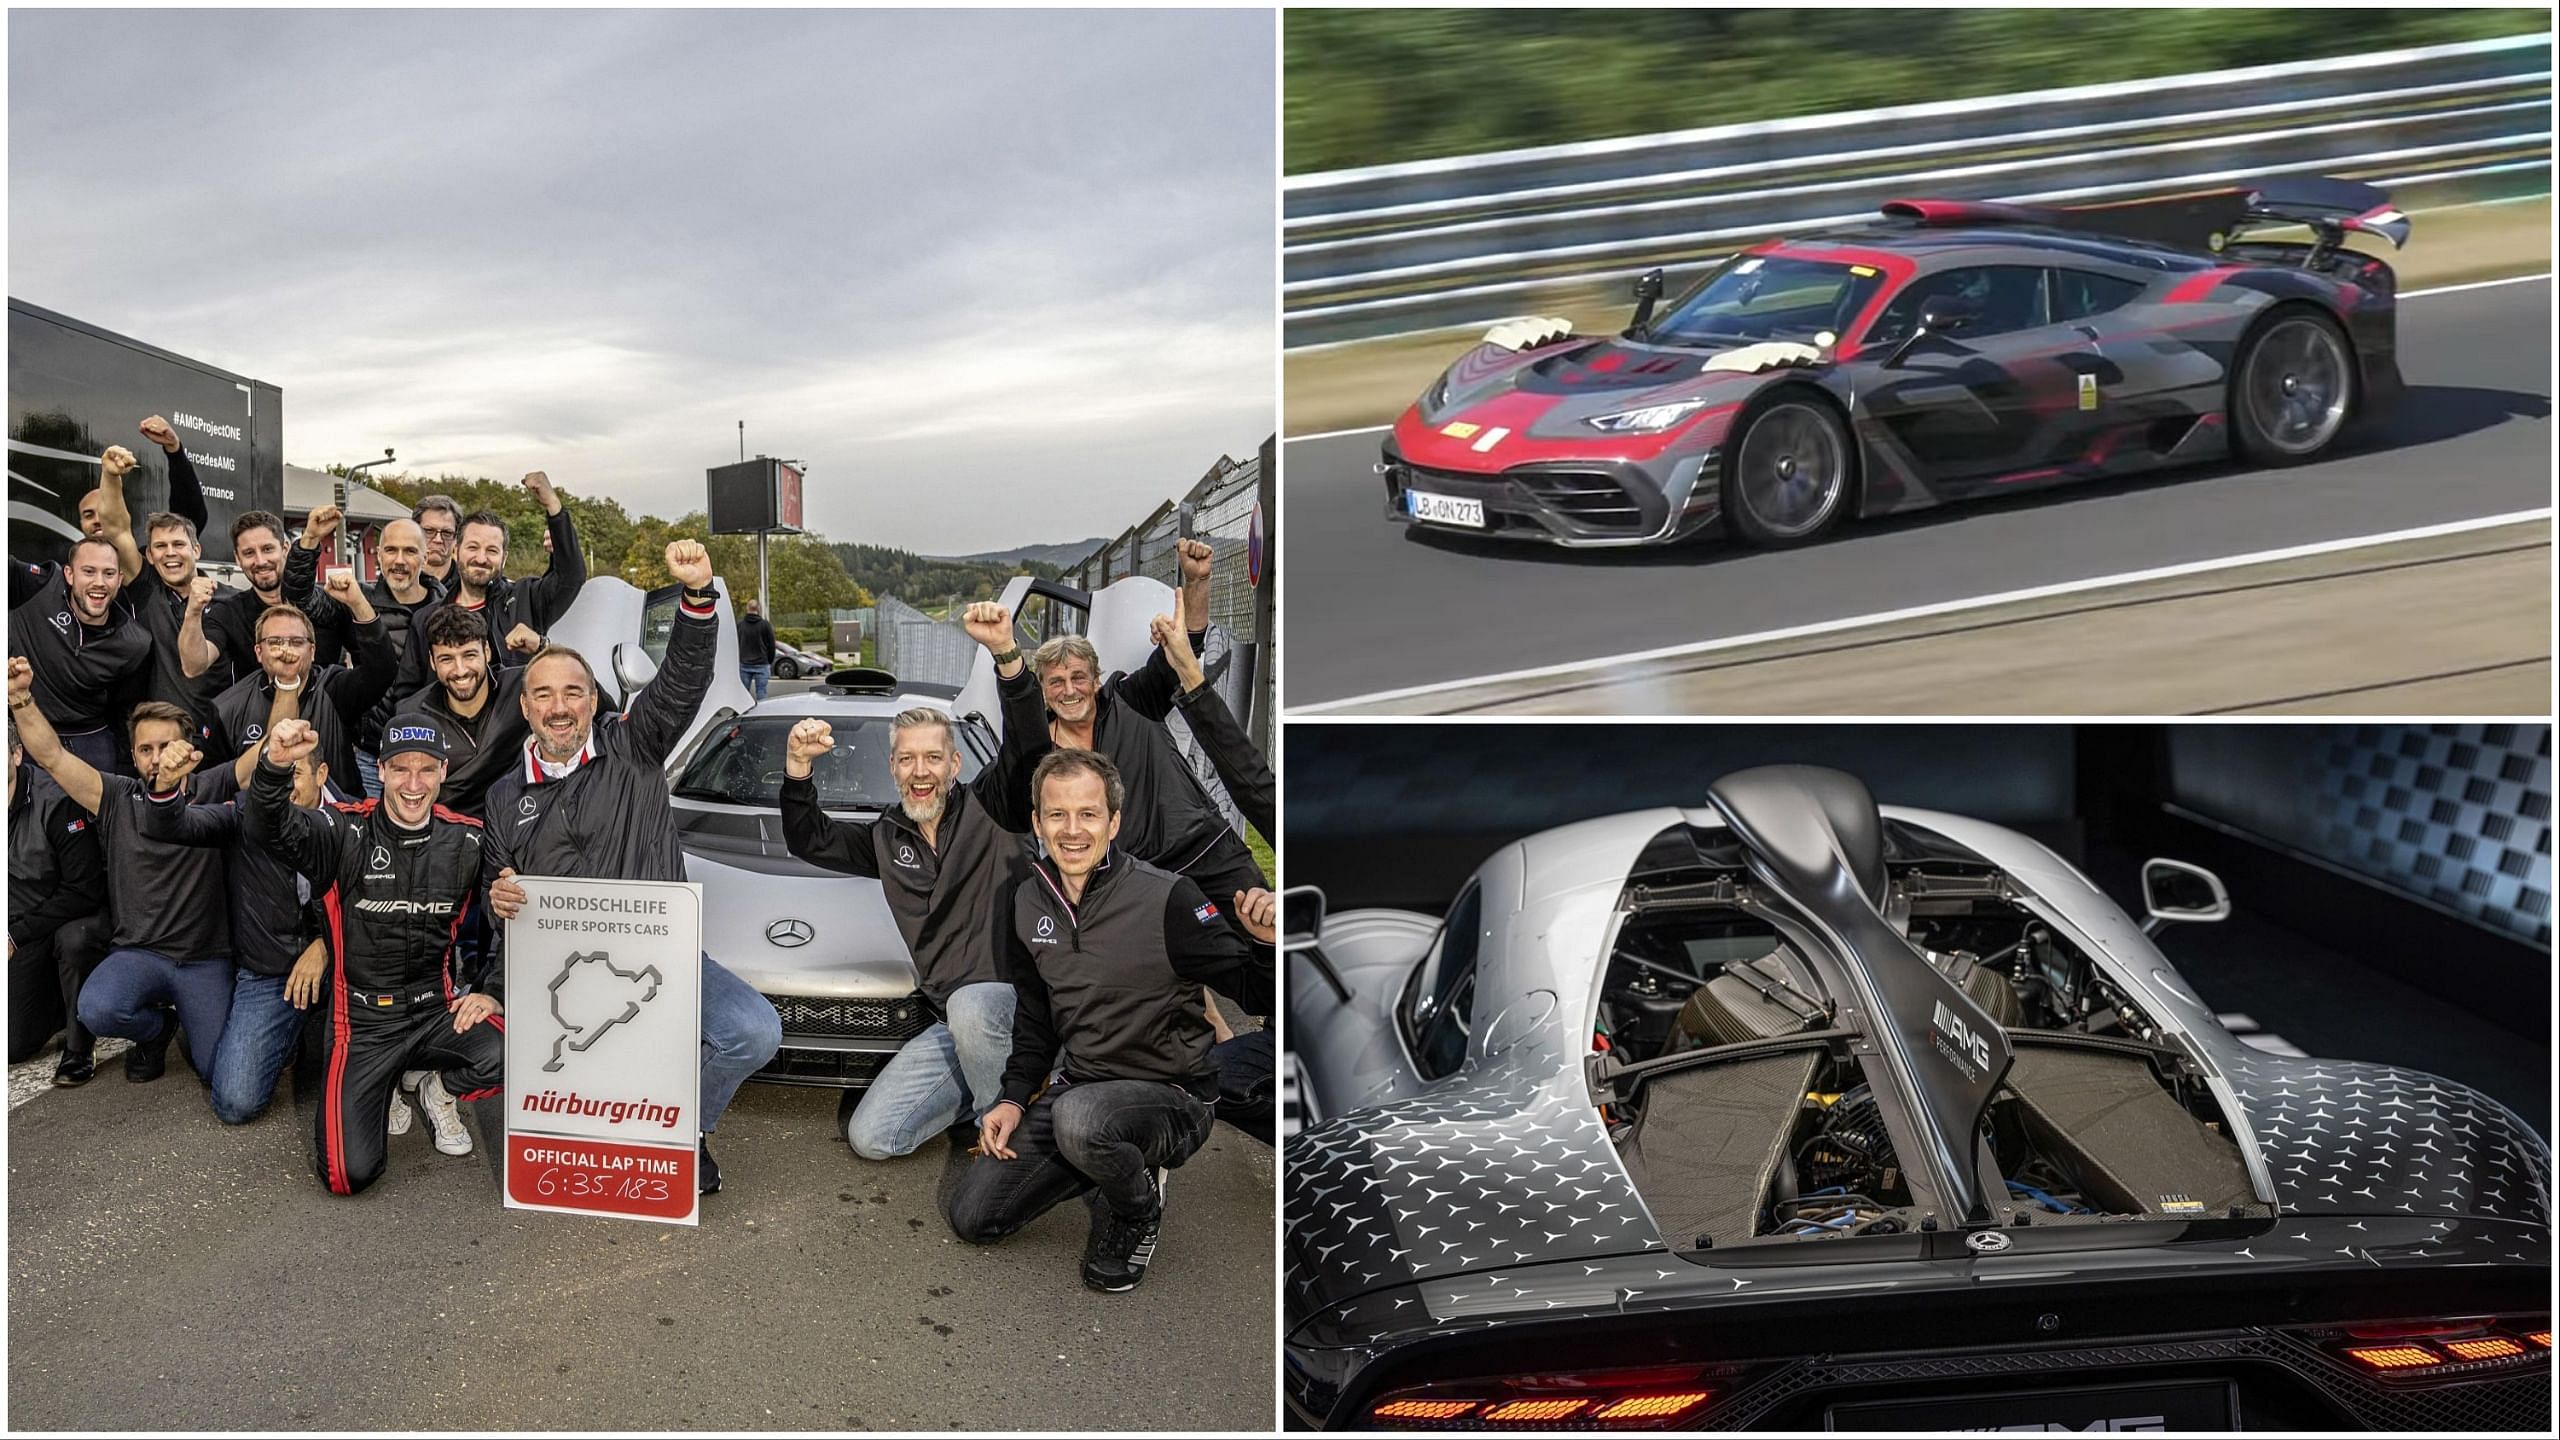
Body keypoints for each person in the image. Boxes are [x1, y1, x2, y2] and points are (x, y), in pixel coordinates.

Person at [481, 540, 780, 1195]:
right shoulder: (505, 796)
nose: (560, 707)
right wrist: (497, 900)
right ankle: (595, 1129)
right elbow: (492, 892)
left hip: (657, 960)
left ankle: (682, 1128)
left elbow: (681, 682)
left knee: (753, 1031)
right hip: (561, 974)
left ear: (593, 699)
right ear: (525, 706)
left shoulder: (633, 745)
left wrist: (698, 598)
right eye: (544, 695)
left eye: (573, 692)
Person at [943, 750, 1275, 1291]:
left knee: (1080, 1120)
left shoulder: (1170, 898)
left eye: (1088, 814)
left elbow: (1255, 990)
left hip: (1174, 1096)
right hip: (1084, 1088)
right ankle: (1103, 1160)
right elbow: (1036, 1017)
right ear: (1037, 822)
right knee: (976, 1217)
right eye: (1057, 814)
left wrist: (1264, 945)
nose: (1072, 831)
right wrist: (1010, 1097)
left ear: (1113, 822)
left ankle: (1137, 1208)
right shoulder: (1026, 900)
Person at [777, 602, 1049, 1159]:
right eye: (906, 760)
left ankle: (1007, 1133)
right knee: (873, 1139)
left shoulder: (996, 807)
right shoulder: (886, 836)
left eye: (932, 758)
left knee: (975, 1006)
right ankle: (992, 1090)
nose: (919, 771)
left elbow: (1028, 747)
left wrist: (1005, 654)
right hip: (954, 1020)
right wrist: (798, 769)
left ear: (954, 765)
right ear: (893, 768)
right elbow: (811, 839)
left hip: (1018, 1007)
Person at [247, 715, 501, 1194]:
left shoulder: (467, 839)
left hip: (435, 1013)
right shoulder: (342, 829)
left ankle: (437, 1088)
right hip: (362, 1024)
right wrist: (274, 765)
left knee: (522, 1048)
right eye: (400, 769)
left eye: (426, 770)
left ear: (444, 773)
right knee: (348, 1176)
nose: (413, 784)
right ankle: (383, 1088)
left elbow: (515, 913)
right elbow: (267, 827)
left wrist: (492, 991)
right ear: (379, 771)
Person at [8, 660, 235, 1084]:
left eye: (166, 746)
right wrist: (20, 697)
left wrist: (287, 687)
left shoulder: (216, 786)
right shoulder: (116, 795)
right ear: (132, 754)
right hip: (140, 953)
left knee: (216, 1069)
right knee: (98, 1008)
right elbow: (52, 757)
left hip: (205, 959)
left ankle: (194, 1021)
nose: (155, 758)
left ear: (189, 749)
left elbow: (269, 757)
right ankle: (156, 1030)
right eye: (145, 749)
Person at [130, 729, 334, 1126]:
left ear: (321, 773)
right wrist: (167, 786)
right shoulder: (243, 813)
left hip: (343, 963)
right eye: (269, 776)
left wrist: (323, 945)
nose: (280, 788)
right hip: (270, 973)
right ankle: (234, 1031)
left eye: (292, 775)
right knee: (235, 1102)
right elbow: (176, 826)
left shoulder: (352, 817)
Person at [390, 473, 585, 710]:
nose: (481, 558)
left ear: (504, 559)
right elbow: (406, 694)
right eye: (473, 547)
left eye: (492, 550)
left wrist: (553, 506)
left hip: (514, 737)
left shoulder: (526, 599)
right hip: (450, 739)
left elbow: (571, 577)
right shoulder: (427, 618)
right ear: (456, 551)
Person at [282, 505, 436, 796]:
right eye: (390, 551)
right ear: (378, 555)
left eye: (410, 552)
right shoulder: (353, 598)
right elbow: (298, 598)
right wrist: (310, 539)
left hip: (427, 752)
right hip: (369, 755)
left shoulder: (445, 606)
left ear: (425, 557)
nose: (399, 561)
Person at [207, 574, 395, 800]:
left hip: (336, 818)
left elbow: (382, 670)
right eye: (275, 642)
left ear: (313, 651)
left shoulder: (333, 688)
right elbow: (216, 783)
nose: (286, 650)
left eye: (296, 642)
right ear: (258, 652)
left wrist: (357, 603)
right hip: (261, 822)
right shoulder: (226, 708)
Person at [8, 713, 112, 1083]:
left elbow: (84, 889)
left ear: (17, 754)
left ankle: (79, 1047)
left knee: (76, 939)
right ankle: (52, 997)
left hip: (64, 917)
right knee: (14, 1046)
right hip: (20, 928)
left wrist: (14, 936)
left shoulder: (56, 800)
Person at [8, 531, 153, 774]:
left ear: (119, 580)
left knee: (99, 809)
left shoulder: (134, 644)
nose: (99, 582)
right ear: (69, 574)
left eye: (108, 574)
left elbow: (125, 715)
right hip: (22, 727)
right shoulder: (38, 586)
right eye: (88, 571)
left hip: (89, 738)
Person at [389, 605, 529, 821]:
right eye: (447, 659)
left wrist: (543, 646)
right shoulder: (412, 716)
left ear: (487, 652)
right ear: (433, 662)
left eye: (469, 655)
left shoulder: (522, 687)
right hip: (452, 834)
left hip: (521, 821)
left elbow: (588, 696)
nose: (460, 670)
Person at [200, 508, 355, 693]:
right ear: (237, 558)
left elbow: (370, 663)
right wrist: (193, 611)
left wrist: (310, 539)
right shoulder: (228, 613)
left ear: (285, 548)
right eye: (249, 553)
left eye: (267, 549)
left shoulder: (326, 605)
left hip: (328, 716)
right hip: (259, 720)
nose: (260, 561)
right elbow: (196, 664)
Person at [411, 494, 463, 598]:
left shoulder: (469, 586)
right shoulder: (397, 583)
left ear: (456, 537)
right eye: (429, 531)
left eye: (447, 532)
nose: (438, 540)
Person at [736, 598, 777, 700]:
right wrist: (769, 661)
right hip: (761, 663)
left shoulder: (740, 625)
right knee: (761, 691)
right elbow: (771, 645)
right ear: (758, 609)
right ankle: (761, 713)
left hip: (744, 664)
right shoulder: (765, 625)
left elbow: (735, 644)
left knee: (743, 693)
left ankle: (742, 713)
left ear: (747, 608)